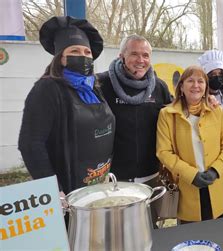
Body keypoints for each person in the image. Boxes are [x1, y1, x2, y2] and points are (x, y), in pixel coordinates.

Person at [18, 16, 115, 196]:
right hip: (67, 190)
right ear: (60, 57)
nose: (83, 56)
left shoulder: (93, 87)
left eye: (87, 52)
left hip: (98, 183)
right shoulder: (47, 89)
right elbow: (30, 144)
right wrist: (53, 189)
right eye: (75, 51)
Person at [96, 34, 172, 226]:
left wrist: (209, 98)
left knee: (149, 229)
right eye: (135, 54)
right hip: (114, 180)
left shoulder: (159, 87)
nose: (141, 60)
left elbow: (177, 115)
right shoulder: (101, 84)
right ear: (121, 56)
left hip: (150, 177)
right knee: (115, 233)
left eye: (146, 55)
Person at [156, 66, 223, 223]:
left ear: (206, 87)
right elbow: (164, 152)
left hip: (217, 187)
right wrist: (190, 174)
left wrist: (215, 170)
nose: (196, 85)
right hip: (187, 189)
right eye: (190, 81)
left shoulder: (217, 111)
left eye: (201, 81)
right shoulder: (167, 114)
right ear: (181, 86)